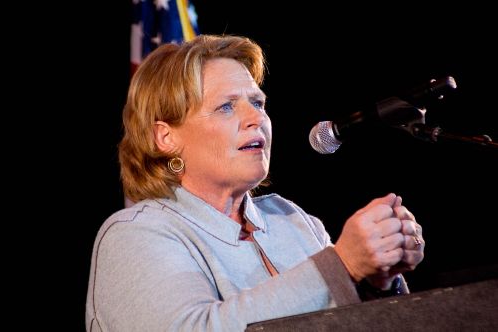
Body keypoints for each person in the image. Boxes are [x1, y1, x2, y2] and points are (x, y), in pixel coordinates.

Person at [86, 34, 425, 331]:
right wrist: (342, 264)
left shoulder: (291, 219)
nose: (255, 118)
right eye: (225, 107)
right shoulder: (135, 233)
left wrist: (377, 283)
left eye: (258, 103)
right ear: (165, 137)